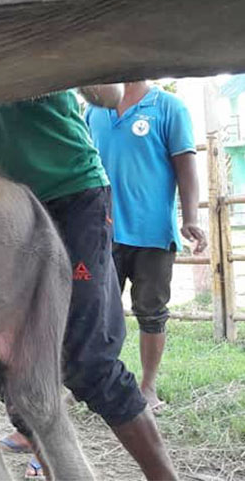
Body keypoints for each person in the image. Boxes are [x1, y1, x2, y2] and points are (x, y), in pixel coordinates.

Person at [0, 88, 177, 480]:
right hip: (6, 209)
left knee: (88, 359)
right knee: (14, 359)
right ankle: (57, 465)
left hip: (73, 194)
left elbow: (109, 94)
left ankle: (164, 476)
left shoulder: (39, 28)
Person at [86, 81, 206, 412]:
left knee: (151, 312)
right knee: (95, 312)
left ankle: (148, 386)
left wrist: (191, 217)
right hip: (102, 231)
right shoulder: (93, 107)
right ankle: (93, 382)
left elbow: (185, 165)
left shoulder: (169, 107)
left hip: (152, 231)